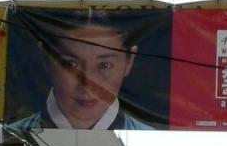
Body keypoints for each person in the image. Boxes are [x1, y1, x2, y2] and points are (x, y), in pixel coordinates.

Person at [10, 14, 154, 131]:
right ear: (45, 59)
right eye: (71, 64)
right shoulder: (8, 137)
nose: (87, 84)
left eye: (105, 65)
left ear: (129, 62)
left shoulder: (150, 140)